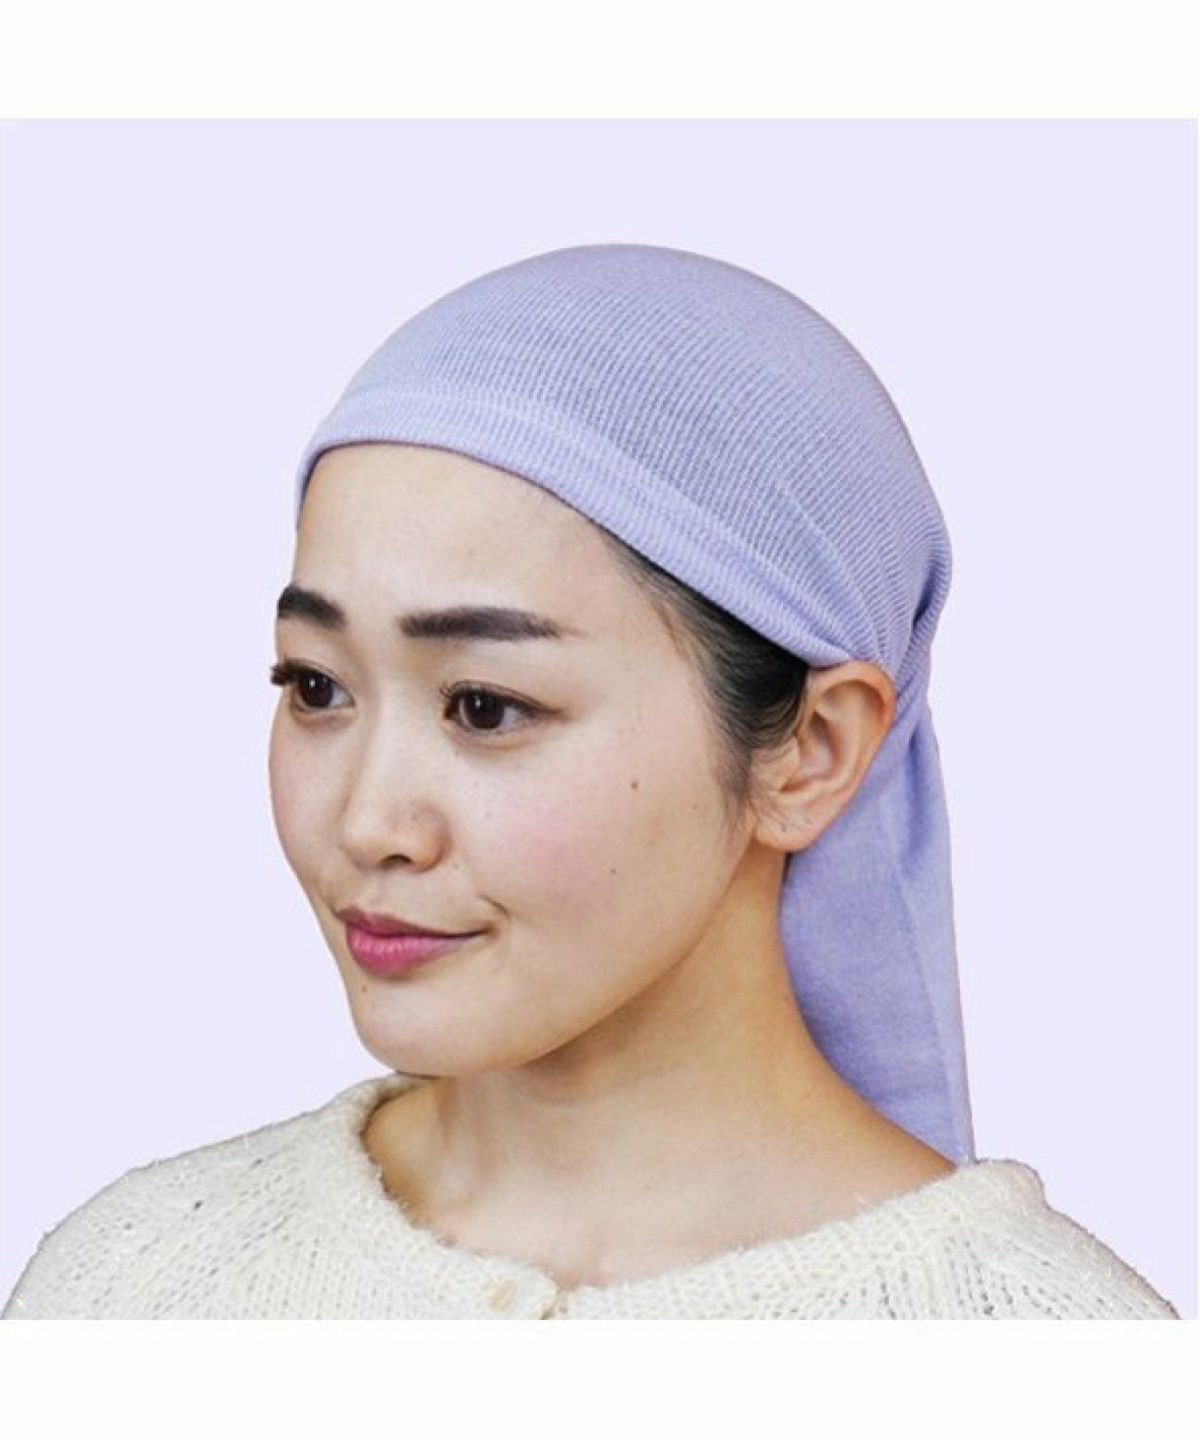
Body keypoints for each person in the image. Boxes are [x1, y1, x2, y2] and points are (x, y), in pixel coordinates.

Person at [3, 243, 1179, 1320]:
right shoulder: (131, 1288)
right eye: (316, 687)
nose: (365, 823)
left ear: (812, 751)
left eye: (485, 706)